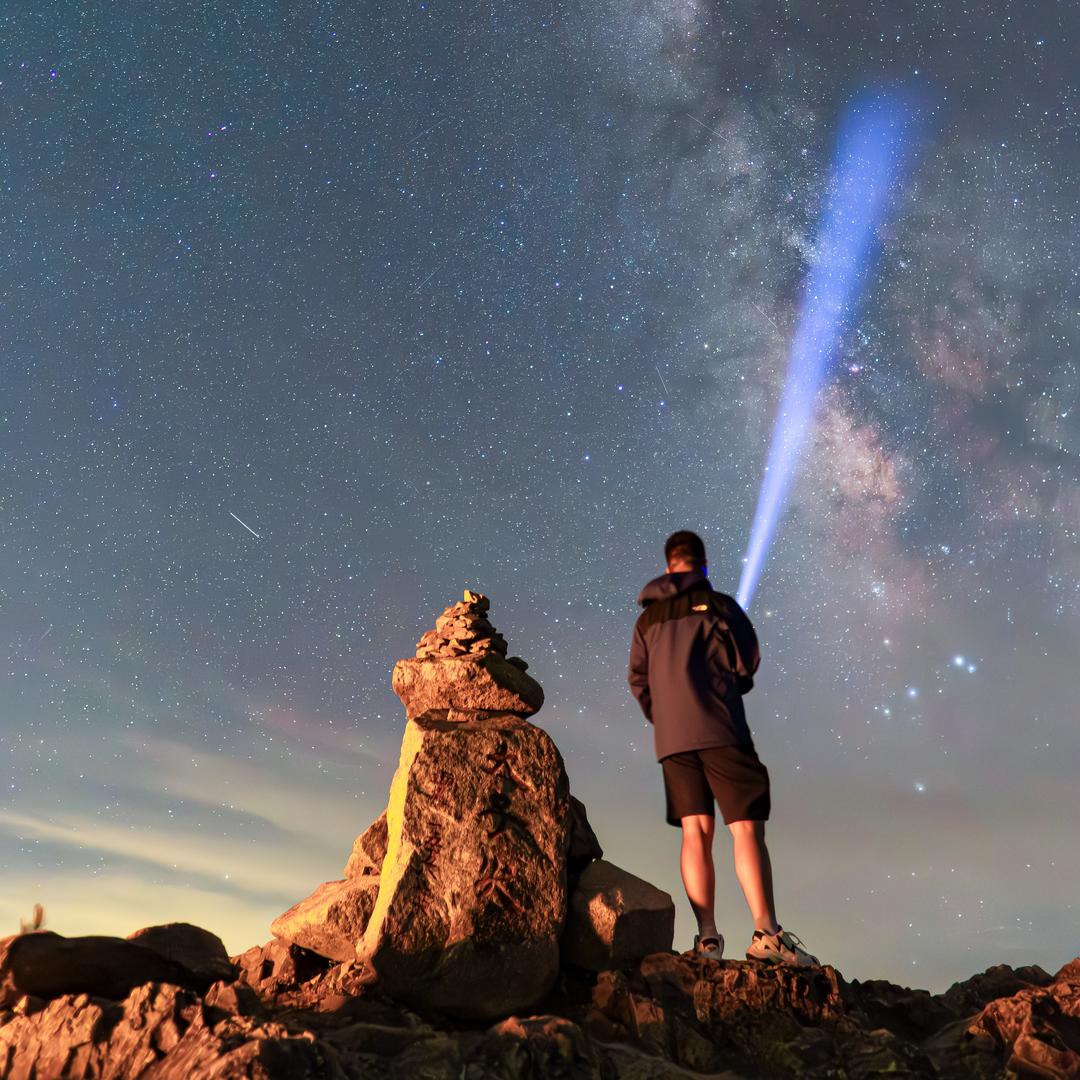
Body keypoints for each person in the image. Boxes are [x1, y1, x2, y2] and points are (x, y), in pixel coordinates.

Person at [628, 530, 819, 966]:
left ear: (668, 565)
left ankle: (707, 938)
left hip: (672, 740)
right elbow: (746, 661)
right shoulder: (721, 607)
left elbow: (637, 679)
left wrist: (664, 716)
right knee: (745, 828)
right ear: (703, 566)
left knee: (695, 832)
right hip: (721, 728)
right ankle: (767, 932)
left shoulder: (646, 621)